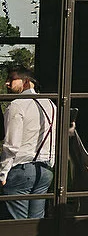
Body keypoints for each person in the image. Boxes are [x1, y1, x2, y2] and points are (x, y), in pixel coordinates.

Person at [1, 64, 57, 220]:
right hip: (45, 170)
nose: (7, 83)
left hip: (21, 169)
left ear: (25, 81)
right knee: (35, 223)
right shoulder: (51, 105)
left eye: (11, 79)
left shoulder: (17, 105)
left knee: (17, 224)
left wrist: (3, 173)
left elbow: (11, 144)